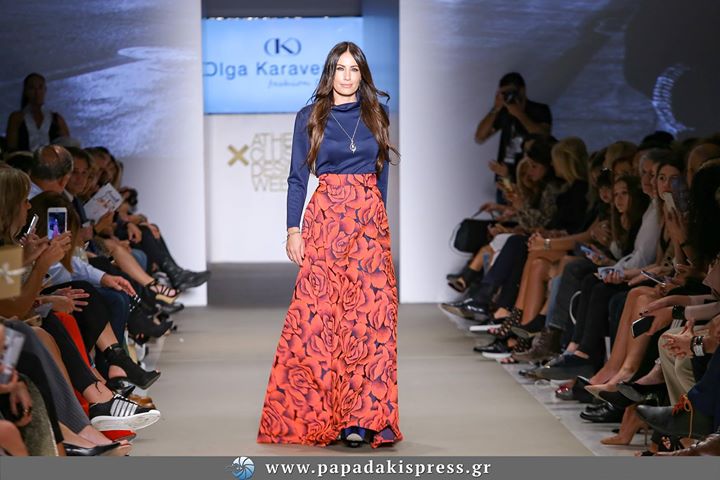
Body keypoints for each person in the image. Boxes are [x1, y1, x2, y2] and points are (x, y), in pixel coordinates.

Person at [257, 41, 402, 449]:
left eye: (355, 69)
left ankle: (361, 418)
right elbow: (296, 178)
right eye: (341, 68)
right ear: (330, 73)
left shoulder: (377, 114)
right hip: (326, 224)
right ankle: (327, 414)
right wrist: (293, 230)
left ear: (363, 74)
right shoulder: (310, 117)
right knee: (322, 321)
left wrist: (381, 229)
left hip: (368, 227)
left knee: (371, 322)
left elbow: (382, 177)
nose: (348, 76)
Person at [475, 72, 552, 202]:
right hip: (505, 178)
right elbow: (479, 137)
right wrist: (495, 108)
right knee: (505, 212)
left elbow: (543, 135)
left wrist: (519, 114)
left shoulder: (540, 110)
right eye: (504, 93)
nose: (508, 97)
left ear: (522, 90)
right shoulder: (504, 112)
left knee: (526, 211)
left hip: (530, 179)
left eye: (511, 92)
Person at [5, 73, 70, 152]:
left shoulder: (57, 119)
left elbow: (68, 149)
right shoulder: (16, 118)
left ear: (45, 90)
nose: (37, 92)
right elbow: (11, 149)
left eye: (40, 87)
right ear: (26, 91)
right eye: (32, 88)